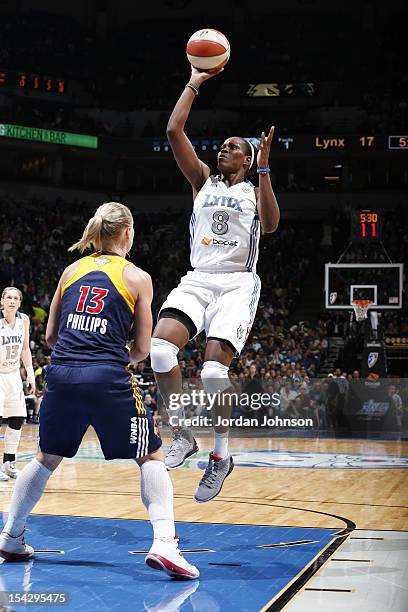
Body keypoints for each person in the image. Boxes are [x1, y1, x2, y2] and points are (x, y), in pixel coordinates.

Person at [0, 202, 199, 580]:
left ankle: (11, 536)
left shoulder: (72, 270)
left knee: (45, 457)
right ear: (127, 233)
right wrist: (107, 353)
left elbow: (50, 336)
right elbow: (142, 348)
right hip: (106, 376)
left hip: (61, 374)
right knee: (152, 455)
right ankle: (164, 544)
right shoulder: (138, 277)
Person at [150, 66, 279, 502]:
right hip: (199, 278)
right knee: (161, 349)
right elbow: (173, 129)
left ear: (248, 158)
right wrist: (194, 80)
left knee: (211, 371)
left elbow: (274, 225)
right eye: (222, 146)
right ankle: (182, 432)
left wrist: (264, 171)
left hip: (237, 284)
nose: (224, 149)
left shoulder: (254, 188)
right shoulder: (202, 181)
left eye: (233, 147)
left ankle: (221, 459)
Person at [0, 287, 36, 481]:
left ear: (20, 303)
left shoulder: (24, 320)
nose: (12, 301)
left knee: (17, 419)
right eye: (9, 298)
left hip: (13, 374)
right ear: (2, 301)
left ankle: (8, 464)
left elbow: (25, 350)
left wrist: (30, 375)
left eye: (16, 298)